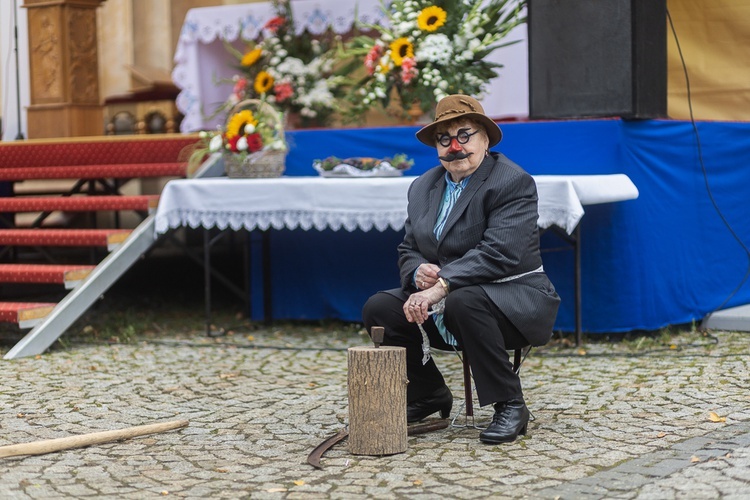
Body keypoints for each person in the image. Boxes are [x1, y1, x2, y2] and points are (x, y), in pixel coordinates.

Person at [362, 94, 560, 444]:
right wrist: (417, 272)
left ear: (485, 138)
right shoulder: (423, 186)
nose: (455, 147)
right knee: (380, 309)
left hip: (514, 298)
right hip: (451, 301)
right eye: (444, 139)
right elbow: (408, 247)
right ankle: (428, 394)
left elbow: (500, 252)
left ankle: (511, 405)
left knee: (463, 301)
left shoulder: (511, 181)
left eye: (464, 135)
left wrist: (441, 286)